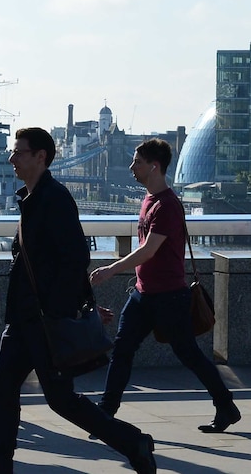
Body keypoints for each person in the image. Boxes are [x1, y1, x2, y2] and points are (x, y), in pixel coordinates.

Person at [0, 127, 156, 473]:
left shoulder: (55, 199)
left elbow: (75, 258)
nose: (11, 158)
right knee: (2, 395)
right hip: (22, 321)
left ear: (41, 157)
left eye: (18, 152)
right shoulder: (30, 199)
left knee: (61, 401)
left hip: (44, 321)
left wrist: (65, 309)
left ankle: (133, 442)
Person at [90, 138, 241, 433]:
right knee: (122, 350)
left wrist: (112, 269)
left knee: (189, 354)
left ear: (154, 166)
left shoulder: (168, 205)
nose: (132, 167)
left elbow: (148, 250)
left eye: (137, 162)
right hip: (143, 294)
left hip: (169, 297)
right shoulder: (148, 199)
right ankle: (105, 414)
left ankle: (226, 405)